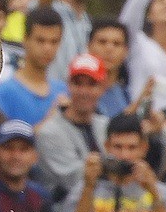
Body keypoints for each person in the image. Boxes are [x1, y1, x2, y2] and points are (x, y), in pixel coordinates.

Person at [34, 54, 111, 199]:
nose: (84, 91)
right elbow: (75, 180)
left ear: (103, 87)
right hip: (65, 210)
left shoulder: (105, 125)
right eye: (78, 83)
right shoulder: (50, 132)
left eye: (91, 84)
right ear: (68, 85)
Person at [0, 7, 66, 126]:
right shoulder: (4, 93)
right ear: (25, 39)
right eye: (40, 41)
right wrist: (50, 122)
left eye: (54, 42)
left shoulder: (64, 91)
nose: (47, 48)